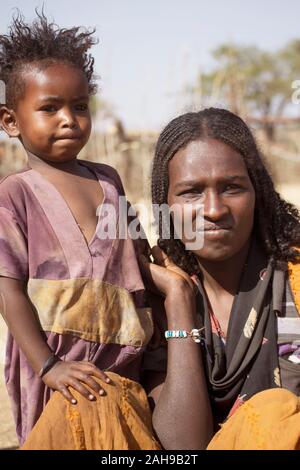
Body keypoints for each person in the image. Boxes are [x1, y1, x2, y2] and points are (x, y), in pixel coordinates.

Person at [0, 12, 158, 449]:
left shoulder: (107, 179)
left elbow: (136, 252)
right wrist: (48, 366)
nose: (69, 119)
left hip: (123, 355)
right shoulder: (15, 196)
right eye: (49, 108)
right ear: (11, 121)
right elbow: (8, 290)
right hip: (54, 365)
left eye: (80, 106)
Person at [140, 107, 300, 450]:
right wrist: (180, 301)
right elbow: (184, 446)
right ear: (165, 206)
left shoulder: (294, 283)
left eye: (232, 187)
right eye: (191, 192)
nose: (213, 209)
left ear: (257, 194)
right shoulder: (158, 296)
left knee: (274, 413)